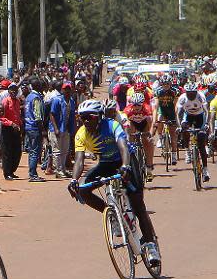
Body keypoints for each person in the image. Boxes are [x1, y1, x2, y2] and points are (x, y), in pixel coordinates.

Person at [67, 99, 160, 265]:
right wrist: (74, 180)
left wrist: (125, 167)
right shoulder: (81, 134)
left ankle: (150, 244)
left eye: (90, 117)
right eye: (83, 118)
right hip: (106, 164)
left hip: (126, 160)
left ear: (100, 116)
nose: (86, 121)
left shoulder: (112, 125)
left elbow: (123, 147)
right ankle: (112, 215)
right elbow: (79, 161)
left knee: (138, 204)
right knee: (82, 189)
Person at [176, 82, 210, 181]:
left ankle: (205, 169)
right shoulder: (182, 98)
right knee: (184, 129)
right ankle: (187, 151)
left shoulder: (200, 96)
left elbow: (207, 111)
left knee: (201, 144)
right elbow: (178, 114)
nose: (191, 95)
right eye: (189, 93)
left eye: (193, 93)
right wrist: (179, 127)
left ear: (196, 92)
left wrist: (207, 124)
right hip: (188, 116)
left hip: (200, 117)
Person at [49, 81, 77, 178]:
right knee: (57, 151)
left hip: (66, 129)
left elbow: (72, 116)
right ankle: (58, 170)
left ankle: (63, 169)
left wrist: (73, 129)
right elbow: (51, 114)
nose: (67, 91)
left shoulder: (72, 101)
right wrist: (56, 128)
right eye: (66, 89)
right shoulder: (57, 100)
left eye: (69, 89)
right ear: (62, 90)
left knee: (65, 150)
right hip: (56, 128)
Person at [24, 77, 46, 182]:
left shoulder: (28, 96)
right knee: (34, 151)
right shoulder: (36, 98)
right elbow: (38, 116)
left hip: (28, 126)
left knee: (32, 151)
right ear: (38, 86)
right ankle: (33, 174)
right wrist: (42, 129)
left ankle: (32, 173)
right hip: (34, 127)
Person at [0, 83, 23, 180]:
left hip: (16, 129)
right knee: (7, 152)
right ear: (8, 91)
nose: (13, 92)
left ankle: (12, 170)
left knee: (17, 151)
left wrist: (20, 125)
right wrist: (11, 124)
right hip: (7, 129)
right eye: (12, 90)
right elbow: (1, 117)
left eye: (15, 90)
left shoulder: (17, 101)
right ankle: (7, 172)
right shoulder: (5, 101)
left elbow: (17, 115)